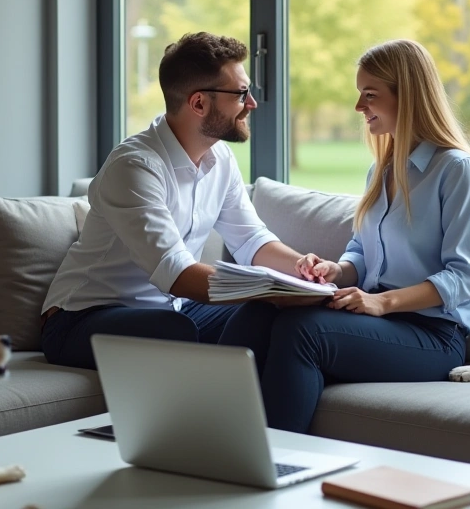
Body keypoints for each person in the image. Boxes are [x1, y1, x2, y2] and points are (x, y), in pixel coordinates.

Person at [218, 39, 470, 433]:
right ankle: (214, 437)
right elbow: (361, 252)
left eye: (370, 95)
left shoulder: (456, 171)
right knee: (262, 310)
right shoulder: (379, 171)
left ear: (408, 96)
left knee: (304, 332)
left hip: (433, 336)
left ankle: (280, 459)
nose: (359, 107)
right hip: (381, 322)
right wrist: (337, 271)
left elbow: (462, 277)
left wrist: (381, 302)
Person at [40, 32, 320, 370]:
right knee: (176, 331)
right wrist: (268, 288)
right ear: (199, 103)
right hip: (80, 318)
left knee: (264, 316)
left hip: (169, 310)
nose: (252, 104)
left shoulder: (221, 158)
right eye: (242, 93)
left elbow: (250, 239)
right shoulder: (135, 166)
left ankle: (241, 414)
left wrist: (303, 270)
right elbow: (177, 275)